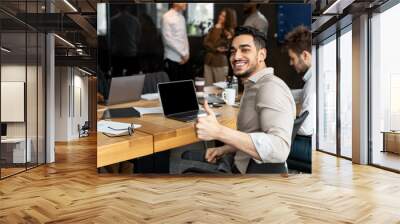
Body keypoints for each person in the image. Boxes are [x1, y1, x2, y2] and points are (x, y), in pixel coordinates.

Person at [195, 26, 296, 174]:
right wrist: (224, 148)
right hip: (241, 166)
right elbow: (253, 134)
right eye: (233, 51)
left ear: (261, 55)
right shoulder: (253, 85)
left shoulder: (270, 87)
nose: (236, 57)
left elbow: (279, 149)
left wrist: (219, 132)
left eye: (245, 49)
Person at [284, 25, 315, 136]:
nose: (290, 63)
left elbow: (305, 129)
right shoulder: (315, 77)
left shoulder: (311, 84)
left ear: (305, 55)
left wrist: (280, 123)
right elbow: (302, 94)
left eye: (293, 58)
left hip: (307, 141)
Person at [203, 8, 237, 85]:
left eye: (223, 16)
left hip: (220, 63)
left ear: (228, 19)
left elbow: (223, 46)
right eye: (220, 15)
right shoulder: (214, 28)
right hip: (208, 61)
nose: (220, 17)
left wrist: (212, 47)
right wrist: (216, 28)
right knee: (207, 88)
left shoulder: (229, 32)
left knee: (220, 89)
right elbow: (205, 43)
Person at [110, 5, 141, 76]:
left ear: (117, 8)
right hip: (131, 51)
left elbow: (110, 37)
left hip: (118, 52)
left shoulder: (113, 20)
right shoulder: (135, 20)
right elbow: (138, 37)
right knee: (131, 76)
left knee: (117, 75)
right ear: (128, 7)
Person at [161, 3, 190, 81]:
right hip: (172, 58)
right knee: (172, 86)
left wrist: (187, 54)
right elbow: (167, 39)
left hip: (184, 58)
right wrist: (183, 54)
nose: (185, 3)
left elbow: (184, 37)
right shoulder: (166, 17)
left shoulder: (182, 17)